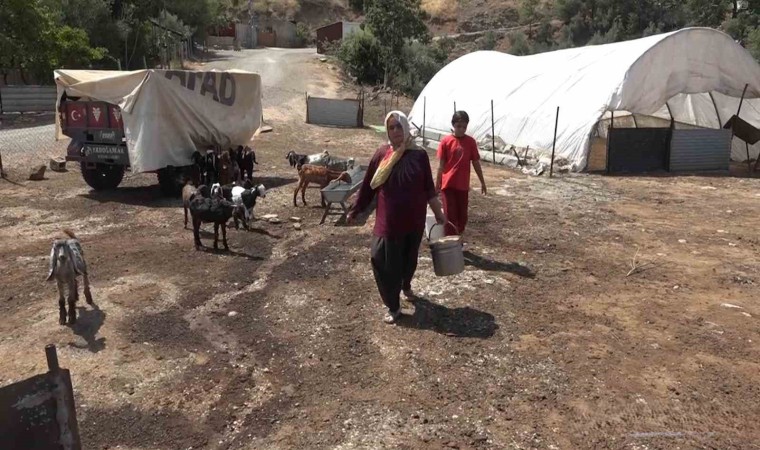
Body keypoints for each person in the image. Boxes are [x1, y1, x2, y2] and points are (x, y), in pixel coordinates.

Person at [347, 111, 446, 324]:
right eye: (391, 127)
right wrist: (356, 209)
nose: (395, 131)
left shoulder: (419, 155)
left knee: (409, 260)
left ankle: (406, 284)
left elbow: (429, 189)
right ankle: (394, 305)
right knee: (381, 258)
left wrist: (439, 213)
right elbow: (369, 186)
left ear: (406, 127)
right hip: (389, 221)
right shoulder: (382, 154)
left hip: (414, 219)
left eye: (398, 126)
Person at [435, 110, 487, 238]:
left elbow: (476, 163)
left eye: (464, 127)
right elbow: (441, 166)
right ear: (453, 125)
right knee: (450, 216)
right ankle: (450, 242)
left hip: (462, 186)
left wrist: (482, 182)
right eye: (459, 126)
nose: (461, 129)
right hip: (448, 185)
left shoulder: (470, 142)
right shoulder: (446, 142)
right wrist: (437, 185)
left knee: (462, 216)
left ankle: (458, 237)